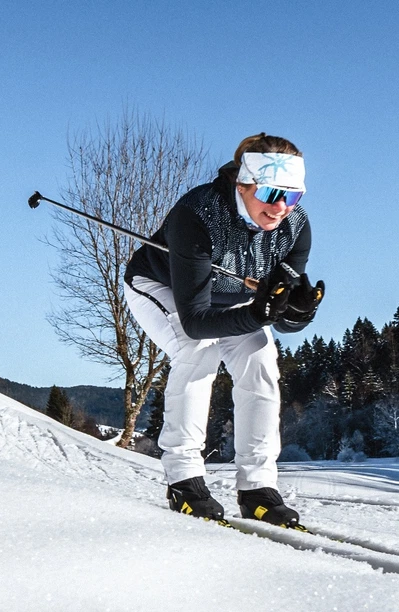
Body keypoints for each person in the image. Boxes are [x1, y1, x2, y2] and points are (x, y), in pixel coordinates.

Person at [124, 133, 324, 527]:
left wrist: (296, 313)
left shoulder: (295, 228)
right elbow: (196, 322)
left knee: (261, 360)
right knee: (197, 353)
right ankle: (183, 480)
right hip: (158, 286)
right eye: (270, 193)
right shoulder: (198, 214)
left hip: (231, 301)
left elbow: (280, 318)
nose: (281, 207)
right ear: (243, 183)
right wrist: (259, 314)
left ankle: (257, 488)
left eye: (292, 195)